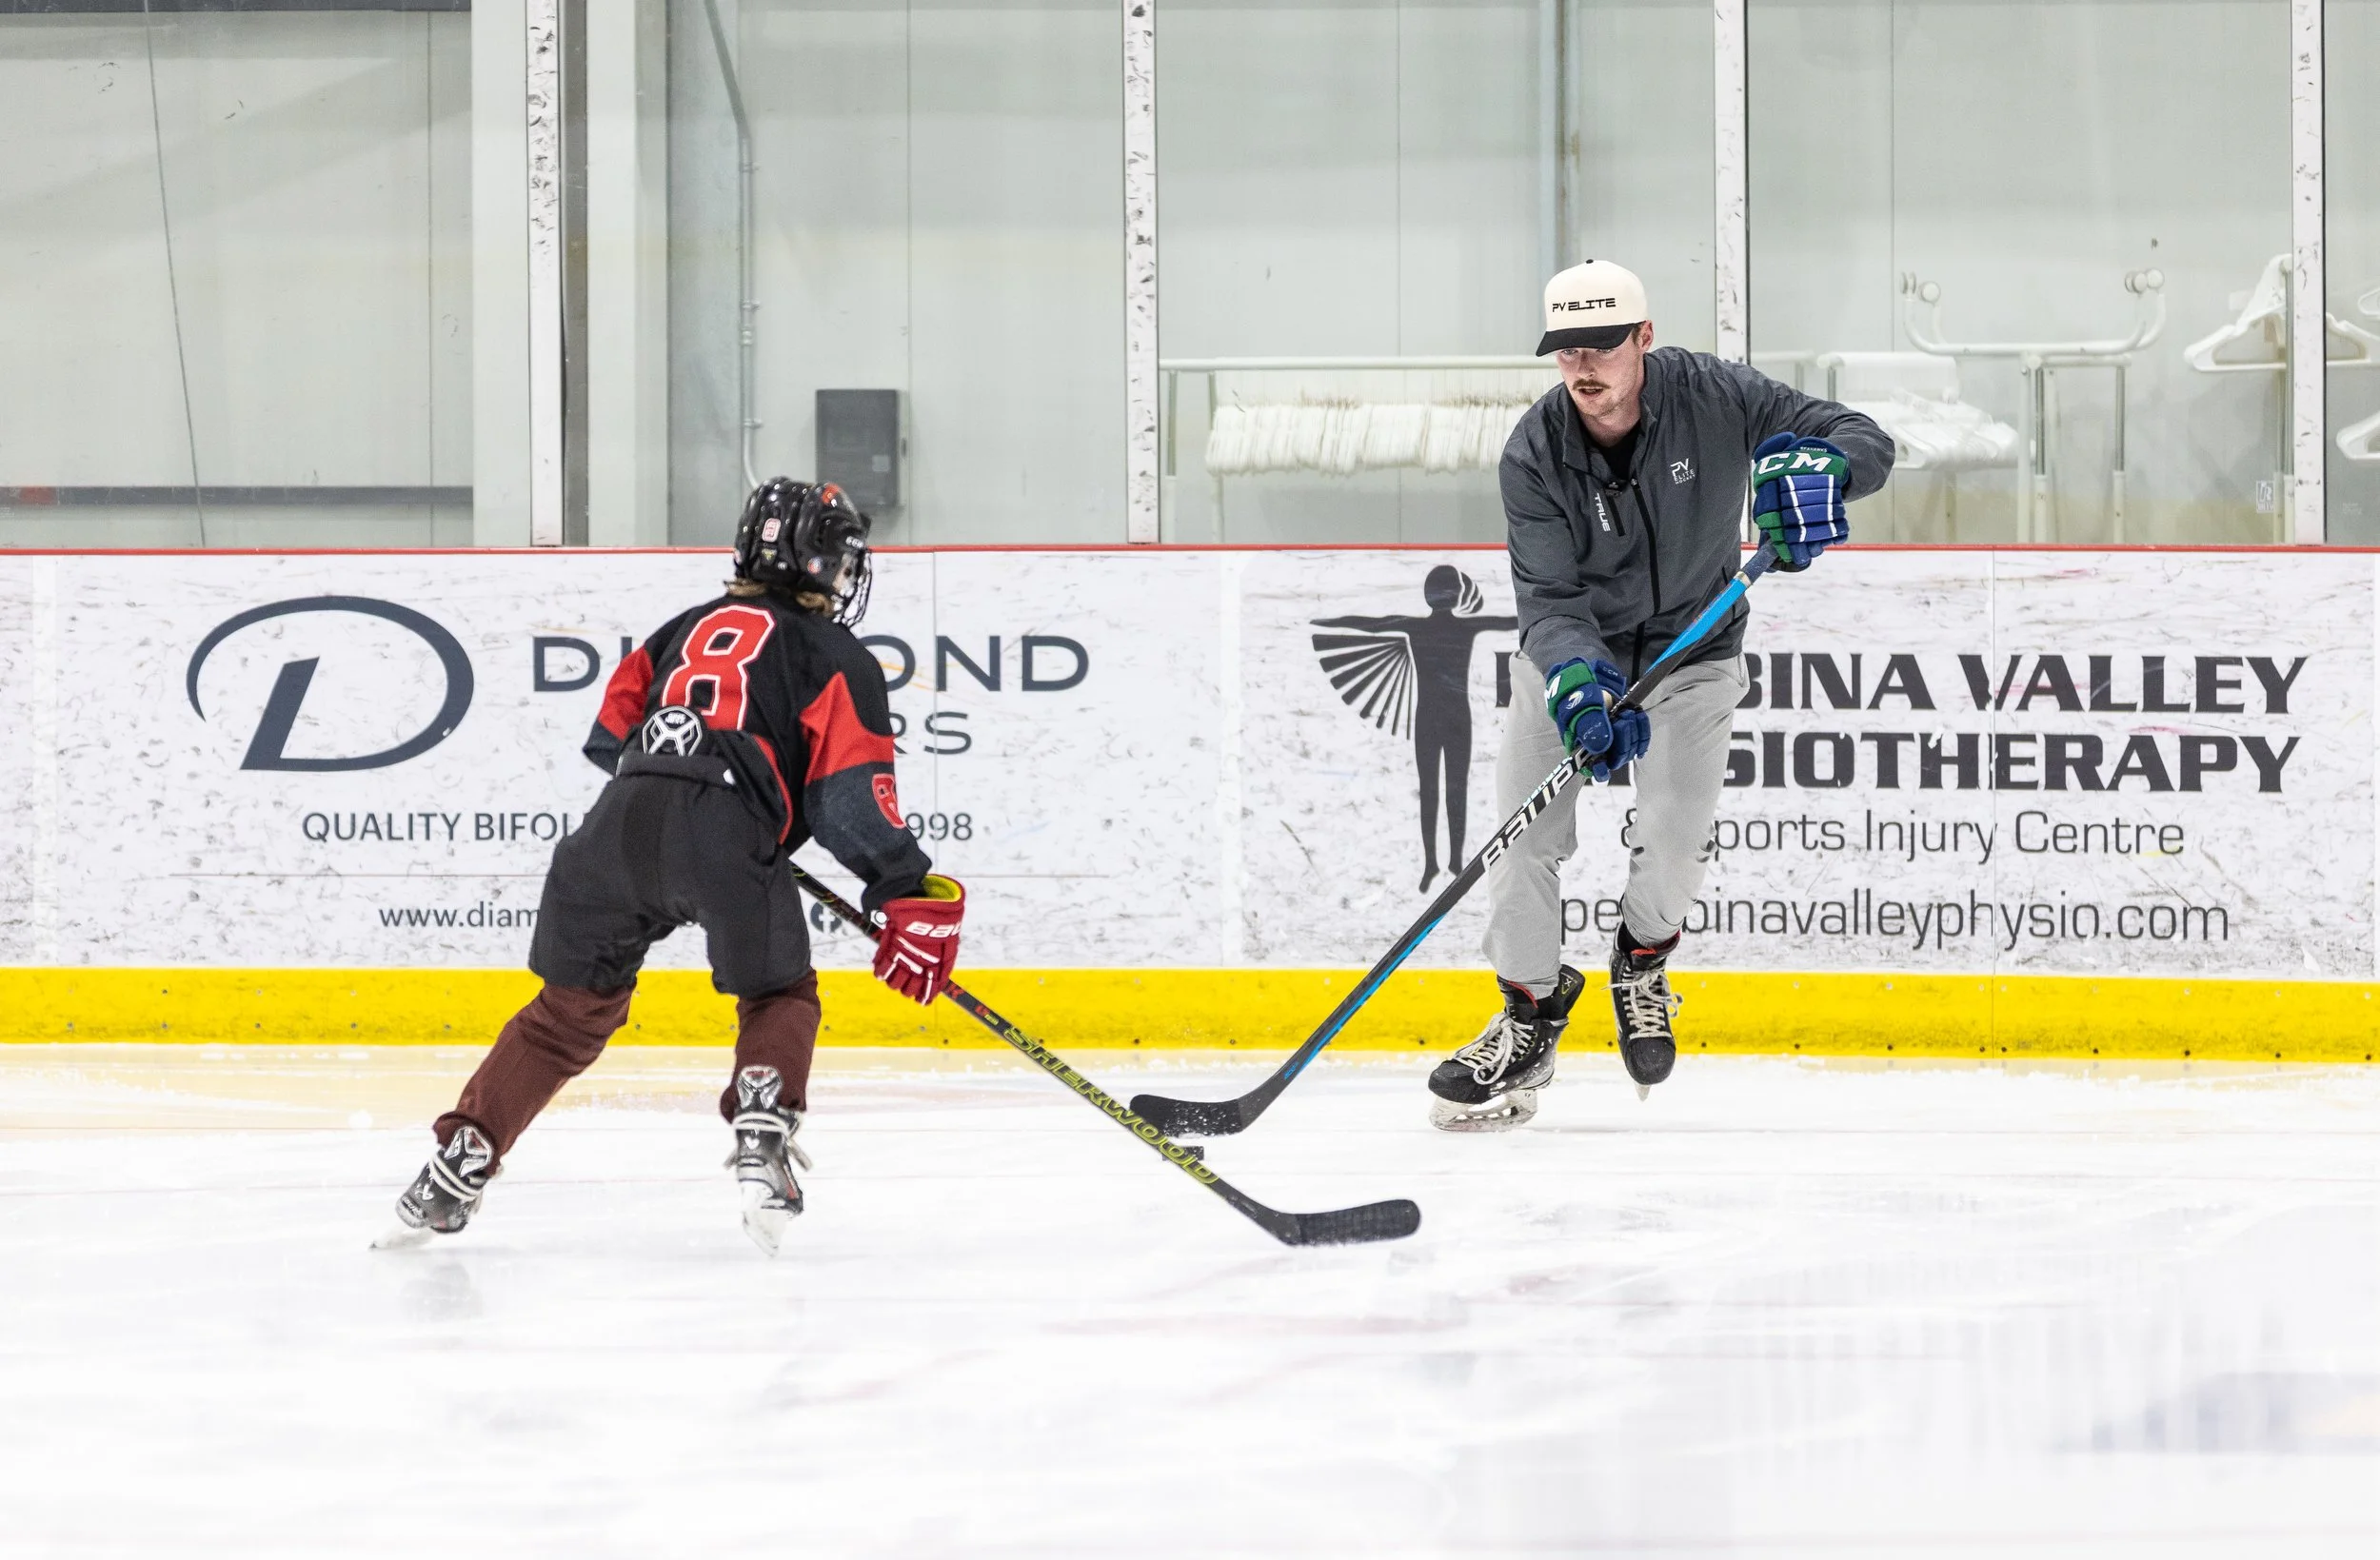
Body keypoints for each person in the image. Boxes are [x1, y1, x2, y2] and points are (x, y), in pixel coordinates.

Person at [382, 479, 966, 1254]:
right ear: (824, 563)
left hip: (613, 831)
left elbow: (609, 738)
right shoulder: (835, 653)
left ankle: (460, 1160)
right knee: (779, 992)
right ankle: (761, 1123)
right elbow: (850, 804)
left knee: (564, 1018)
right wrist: (900, 884)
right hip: (723, 836)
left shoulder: (678, 630)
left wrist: (702, 779)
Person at [1426, 260, 1892, 1131]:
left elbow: (1859, 434)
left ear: (1644, 337)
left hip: (1696, 648)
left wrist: (1825, 466)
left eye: (1601, 344)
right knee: (1523, 840)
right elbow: (1549, 600)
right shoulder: (1533, 452)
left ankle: (1640, 962)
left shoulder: (1713, 394)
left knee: (1676, 838)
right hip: (1576, 657)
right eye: (1564, 351)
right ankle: (1527, 1015)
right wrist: (1578, 686)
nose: (1582, 368)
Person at [1313, 564, 1517, 892]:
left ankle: (1437, 862)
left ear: (1428, 595)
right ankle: (1448, 861)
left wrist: (1325, 621)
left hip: (1429, 718)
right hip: (1455, 718)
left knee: (1432, 790)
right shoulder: (1466, 627)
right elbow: (1510, 621)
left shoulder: (1415, 627)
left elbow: (1371, 625)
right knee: (1454, 789)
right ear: (1457, 595)